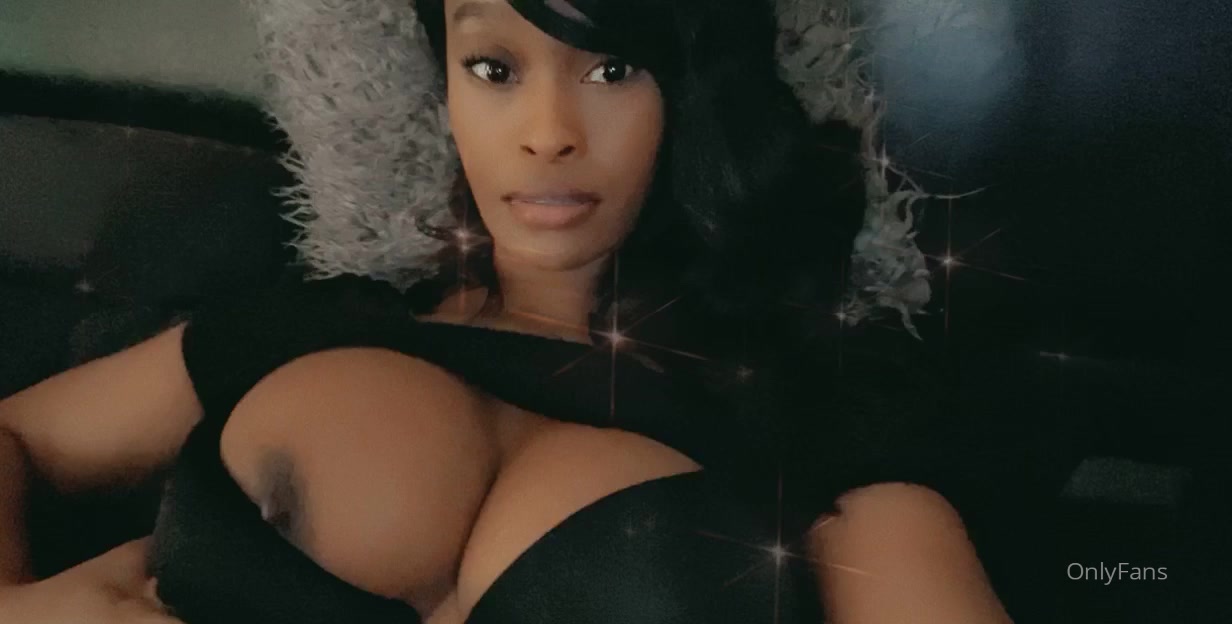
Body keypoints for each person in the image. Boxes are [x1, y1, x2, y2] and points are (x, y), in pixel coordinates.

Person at [0, 0, 1014, 622]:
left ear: (691, 91)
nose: (547, 133)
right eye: (493, 68)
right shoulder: (312, 325)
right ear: (443, 89)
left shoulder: (819, 423)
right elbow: (14, 434)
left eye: (610, 69)